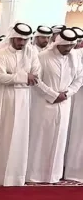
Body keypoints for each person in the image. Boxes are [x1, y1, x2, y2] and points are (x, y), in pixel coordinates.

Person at [0, 23, 40, 186]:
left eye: (25, 40)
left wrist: (14, 76)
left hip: (23, 99)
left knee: (19, 136)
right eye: (19, 39)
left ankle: (16, 176)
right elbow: (1, 77)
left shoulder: (32, 53)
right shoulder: (1, 54)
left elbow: (36, 75)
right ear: (13, 37)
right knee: (3, 135)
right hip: (4, 99)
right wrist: (24, 77)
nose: (22, 43)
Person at [26, 28, 83, 183]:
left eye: (71, 45)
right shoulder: (43, 57)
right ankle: (34, 175)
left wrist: (67, 93)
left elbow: (79, 79)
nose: (69, 48)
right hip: (43, 103)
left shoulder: (74, 58)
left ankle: (54, 175)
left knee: (59, 139)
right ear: (59, 43)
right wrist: (52, 95)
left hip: (64, 102)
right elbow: (36, 80)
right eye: (66, 45)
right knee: (40, 138)